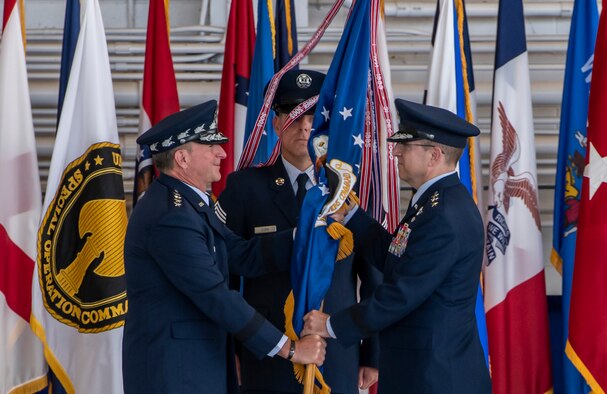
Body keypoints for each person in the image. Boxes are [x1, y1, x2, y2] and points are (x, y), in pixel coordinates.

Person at [122, 100, 326, 394]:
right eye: (210, 147)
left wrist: (307, 234)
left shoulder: (190, 205)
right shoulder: (172, 217)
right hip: (175, 372)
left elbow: (239, 254)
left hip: (194, 366)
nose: (223, 152)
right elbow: (215, 295)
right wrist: (291, 349)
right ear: (181, 158)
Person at [301, 99, 492, 393]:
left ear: (434, 155)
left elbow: (401, 294)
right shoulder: (435, 202)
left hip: (436, 377)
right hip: (423, 369)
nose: (396, 151)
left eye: (406, 145)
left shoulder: (444, 214)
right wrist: (351, 215)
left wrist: (330, 325)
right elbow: (399, 257)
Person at [216, 69, 380, 394]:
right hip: (266, 348)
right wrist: (233, 349)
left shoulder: (350, 187)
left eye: (314, 117)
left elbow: (374, 277)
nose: (305, 127)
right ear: (276, 123)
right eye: (293, 116)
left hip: (336, 348)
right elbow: (225, 276)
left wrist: (372, 352)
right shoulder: (244, 187)